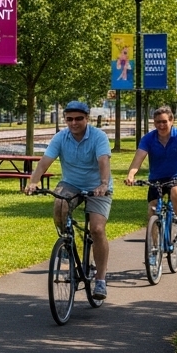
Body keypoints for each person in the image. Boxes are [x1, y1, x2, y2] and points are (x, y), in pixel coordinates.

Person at [25, 101, 114, 300]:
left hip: (97, 186)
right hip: (71, 183)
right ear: (65, 119)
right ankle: (67, 243)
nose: (74, 123)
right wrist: (33, 182)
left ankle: (100, 279)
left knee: (97, 229)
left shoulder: (98, 136)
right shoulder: (61, 137)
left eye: (79, 119)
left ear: (87, 118)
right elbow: (44, 162)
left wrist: (103, 184)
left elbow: (103, 161)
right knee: (59, 204)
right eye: (69, 119)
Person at [124, 106, 177, 241]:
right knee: (152, 210)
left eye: (164, 122)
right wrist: (131, 175)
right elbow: (138, 159)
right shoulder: (148, 138)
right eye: (158, 122)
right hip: (156, 178)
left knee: (176, 193)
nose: (161, 125)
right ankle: (154, 248)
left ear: (171, 121)